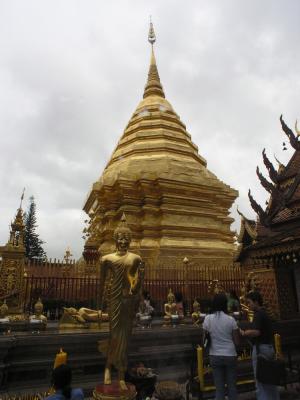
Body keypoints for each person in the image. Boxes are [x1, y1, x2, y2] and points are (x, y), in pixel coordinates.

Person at [98, 214, 144, 390]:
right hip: (114, 301)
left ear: (130, 240)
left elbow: (137, 286)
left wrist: (141, 278)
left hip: (128, 302)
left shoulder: (136, 258)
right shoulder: (107, 259)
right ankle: (108, 368)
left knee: (126, 338)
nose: (124, 241)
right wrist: (99, 307)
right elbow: (101, 285)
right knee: (114, 336)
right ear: (115, 238)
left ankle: (121, 374)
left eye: (127, 238)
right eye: (120, 238)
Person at [240, 291, 279, 400]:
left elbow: (256, 332)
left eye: (249, 302)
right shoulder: (264, 313)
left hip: (261, 349)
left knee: (261, 381)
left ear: (256, 302)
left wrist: (244, 333)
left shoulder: (258, 314)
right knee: (270, 380)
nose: (248, 305)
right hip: (268, 347)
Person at [203, 293, 240, 400]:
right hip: (230, 355)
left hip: (215, 355)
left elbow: (204, 340)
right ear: (225, 304)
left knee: (219, 389)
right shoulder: (231, 320)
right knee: (232, 387)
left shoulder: (208, 319)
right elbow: (237, 341)